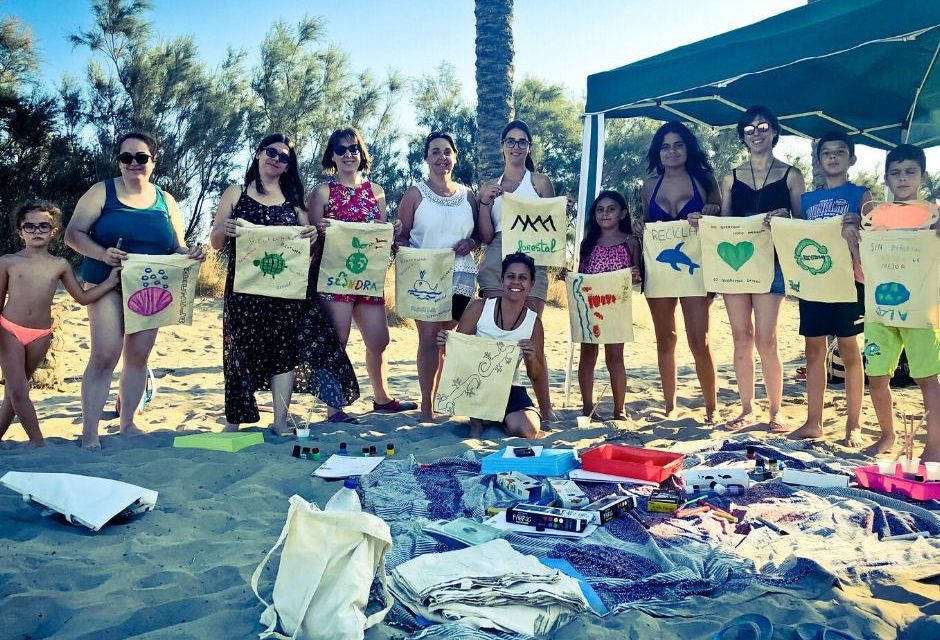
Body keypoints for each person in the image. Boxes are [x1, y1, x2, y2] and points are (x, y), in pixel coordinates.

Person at [209, 133, 359, 432]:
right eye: (271, 153)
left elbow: (307, 250)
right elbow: (215, 243)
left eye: (283, 157)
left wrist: (313, 237)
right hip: (244, 291)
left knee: (283, 354)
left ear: (289, 165)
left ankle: (280, 421)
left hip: (286, 293)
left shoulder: (294, 205)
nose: (276, 159)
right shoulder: (235, 193)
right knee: (240, 354)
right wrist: (223, 229)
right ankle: (234, 423)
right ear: (257, 154)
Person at [66, 132, 205, 449]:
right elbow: (73, 235)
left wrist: (190, 253)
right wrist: (102, 253)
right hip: (106, 282)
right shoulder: (101, 192)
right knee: (104, 355)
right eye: (125, 157)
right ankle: (90, 432)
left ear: (153, 162)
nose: (133, 163)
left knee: (138, 357)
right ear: (118, 160)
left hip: (150, 287)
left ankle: (128, 423)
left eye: (140, 157)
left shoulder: (165, 200)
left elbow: (176, 246)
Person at [307, 127, 415, 421]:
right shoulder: (322, 192)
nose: (347, 155)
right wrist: (319, 229)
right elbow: (308, 237)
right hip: (334, 277)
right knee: (337, 341)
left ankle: (381, 398)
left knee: (379, 340)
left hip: (368, 278)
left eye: (353, 148)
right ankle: (334, 407)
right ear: (332, 155)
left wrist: (392, 231)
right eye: (340, 150)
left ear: (361, 153)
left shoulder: (375, 191)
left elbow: (378, 237)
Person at [0, 202, 121, 447]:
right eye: (30, 226)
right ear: (20, 231)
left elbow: (82, 298)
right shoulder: (8, 262)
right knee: (18, 390)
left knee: (15, 394)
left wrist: (109, 282)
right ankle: (38, 444)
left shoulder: (60, 265)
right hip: (9, 330)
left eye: (44, 226)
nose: (37, 231)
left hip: (41, 335)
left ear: (53, 231)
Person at [719, 106, 805, 432]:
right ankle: (746, 408)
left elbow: (803, 225)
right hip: (735, 266)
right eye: (750, 128)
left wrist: (787, 216)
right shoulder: (730, 177)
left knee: (766, 340)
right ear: (742, 136)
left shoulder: (791, 175)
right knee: (741, 337)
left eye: (763, 126)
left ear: (774, 132)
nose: (756, 133)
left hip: (773, 264)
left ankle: (775, 410)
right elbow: (723, 225)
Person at [787, 132, 870, 447]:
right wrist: (780, 221)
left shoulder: (862, 195)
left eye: (840, 152)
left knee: (850, 351)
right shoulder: (807, 201)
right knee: (814, 353)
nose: (833, 157)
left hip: (848, 284)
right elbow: (797, 238)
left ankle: (854, 425)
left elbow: (876, 234)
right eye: (827, 153)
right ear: (818, 161)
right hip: (813, 284)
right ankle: (814, 422)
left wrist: (860, 226)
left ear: (851, 159)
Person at [859, 143, 939, 462]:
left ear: (923, 175)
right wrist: (852, 231)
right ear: (886, 178)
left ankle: (933, 446)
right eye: (895, 173)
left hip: (922, 312)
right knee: (877, 375)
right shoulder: (874, 215)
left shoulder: (933, 215)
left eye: (910, 172)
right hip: (879, 311)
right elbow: (860, 253)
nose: (902, 178)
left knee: (927, 378)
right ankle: (887, 434)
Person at [637, 121, 721, 422]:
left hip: (696, 270)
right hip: (659, 269)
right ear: (658, 153)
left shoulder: (705, 181)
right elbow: (647, 229)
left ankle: (712, 407)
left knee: (700, 339)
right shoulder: (649, 187)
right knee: (665, 338)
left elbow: (721, 223)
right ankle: (670, 406)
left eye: (678, 145)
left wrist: (711, 212)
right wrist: (638, 228)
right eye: (665, 146)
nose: (671, 151)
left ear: (688, 147)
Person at [396, 132, 480, 422]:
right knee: (429, 339)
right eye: (435, 152)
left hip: (462, 276)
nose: (441, 157)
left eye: (447, 151)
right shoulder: (414, 194)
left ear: (455, 156)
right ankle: (426, 407)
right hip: (426, 278)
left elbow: (479, 236)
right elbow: (401, 237)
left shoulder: (468, 195)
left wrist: (471, 244)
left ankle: (445, 400)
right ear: (426, 158)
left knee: (449, 340)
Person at [477, 120, 555, 420]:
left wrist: (563, 209)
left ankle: (545, 408)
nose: (516, 147)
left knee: (531, 337)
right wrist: (485, 202)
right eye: (510, 141)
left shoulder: (540, 182)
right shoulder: (491, 186)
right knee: (493, 334)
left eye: (522, 141)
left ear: (529, 147)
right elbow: (484, 236)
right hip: (497, 257)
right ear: (502, 146)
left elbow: (553, 225)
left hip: (534, 260)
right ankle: (490, 406)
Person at [437, 253, 547, 438]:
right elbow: (458, 353)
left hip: (510, 386)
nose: (516, 282)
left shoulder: (533, 323)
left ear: (531, 284)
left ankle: (498, 417)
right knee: (476, 431)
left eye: (523, 278)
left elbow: (535, 375)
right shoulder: (480, 308)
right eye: (511, 276)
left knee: (528, 430)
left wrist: (530, 356)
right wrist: (446, 344)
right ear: (502, 279)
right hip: (476, 382)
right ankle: (478, 421)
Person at [570, 191, 641, 420]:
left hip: (617, 307)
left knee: (615, 356)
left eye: (611, 208)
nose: (605, 213)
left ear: (622, 213)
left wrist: (637, 275)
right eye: (600, 209)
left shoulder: (631, 242)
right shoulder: (588, 243)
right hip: (590, 305)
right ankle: (587, 407)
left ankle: (619, 409)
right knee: (588, 354)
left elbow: (638, 275)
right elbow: (582, 276)